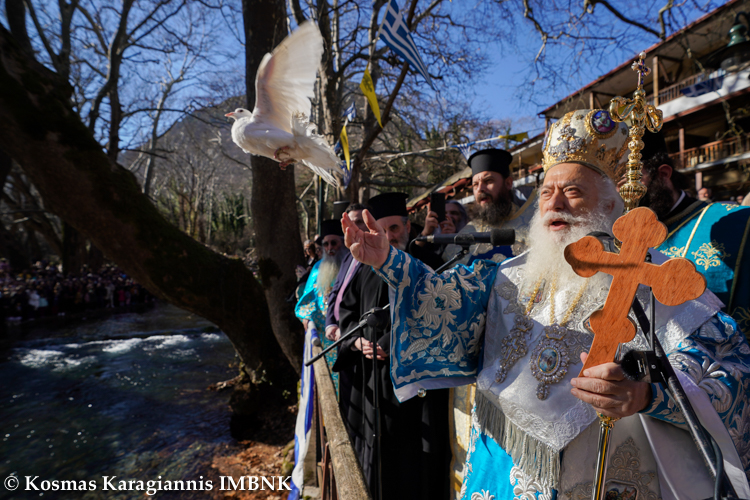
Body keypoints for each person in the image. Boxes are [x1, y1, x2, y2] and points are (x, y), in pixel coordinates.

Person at [342, 109, 750, 499]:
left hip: (609, 475)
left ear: (610, 204)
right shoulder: (511, 276)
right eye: (547, 193)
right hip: (506, 473)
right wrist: (388, 262)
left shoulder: (660, 278)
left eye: (572, 192)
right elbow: (446, 309)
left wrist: (646, 395)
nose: (554, 204)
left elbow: (732, 373)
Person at [333, 192, 450, 500]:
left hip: (419, 395)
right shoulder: (363, 270)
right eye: (379, 230)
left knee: (416, 469)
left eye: (394, 229)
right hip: (374, 384)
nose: (388, 237)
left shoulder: (433, 266)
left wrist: (393, 343)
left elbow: (444, 318)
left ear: (408, 227)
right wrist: (357, 342)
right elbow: (346, 313)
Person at [638, 131, 750, 336]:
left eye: (630, 178)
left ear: (663, 174)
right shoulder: (614, 236)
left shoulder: (742, 224)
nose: (621, 192)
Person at [443, 148, 537, 265]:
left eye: (488, 181)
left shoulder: (533, 224)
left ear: (508, 183)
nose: (480, 189)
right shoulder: (468, 232)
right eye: (475, 184)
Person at [295, 219, 348, 386]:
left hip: (348, 335)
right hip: (325, 337)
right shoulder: (317, 268)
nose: (330, 248)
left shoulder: (352, 265)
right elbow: (308, 298)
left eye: (334, 243)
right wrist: (307, 317)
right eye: (326, 244)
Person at [324, 204, 369, 342]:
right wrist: (330, 323)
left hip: (358, 336)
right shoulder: (348, 257)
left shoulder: (373, 259)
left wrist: (348, 333)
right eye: (350, 224)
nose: (353, 228)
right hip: (339, 334)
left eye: (359, 222)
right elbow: (336, 291)